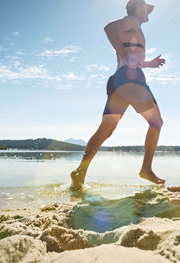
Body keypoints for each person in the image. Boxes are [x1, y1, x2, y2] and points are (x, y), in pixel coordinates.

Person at [70, 0, 166, 189]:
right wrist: (120, 50)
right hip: (131, 79)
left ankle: (80, 172)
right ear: (137, 8)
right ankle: (146, 169)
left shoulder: (133, 26)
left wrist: (149, 64)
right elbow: (109, 28)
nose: (149, 12)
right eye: (146, 8)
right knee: (156, 122)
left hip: (119, 79)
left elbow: (131, 60)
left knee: (107, 128)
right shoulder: (131, 21)